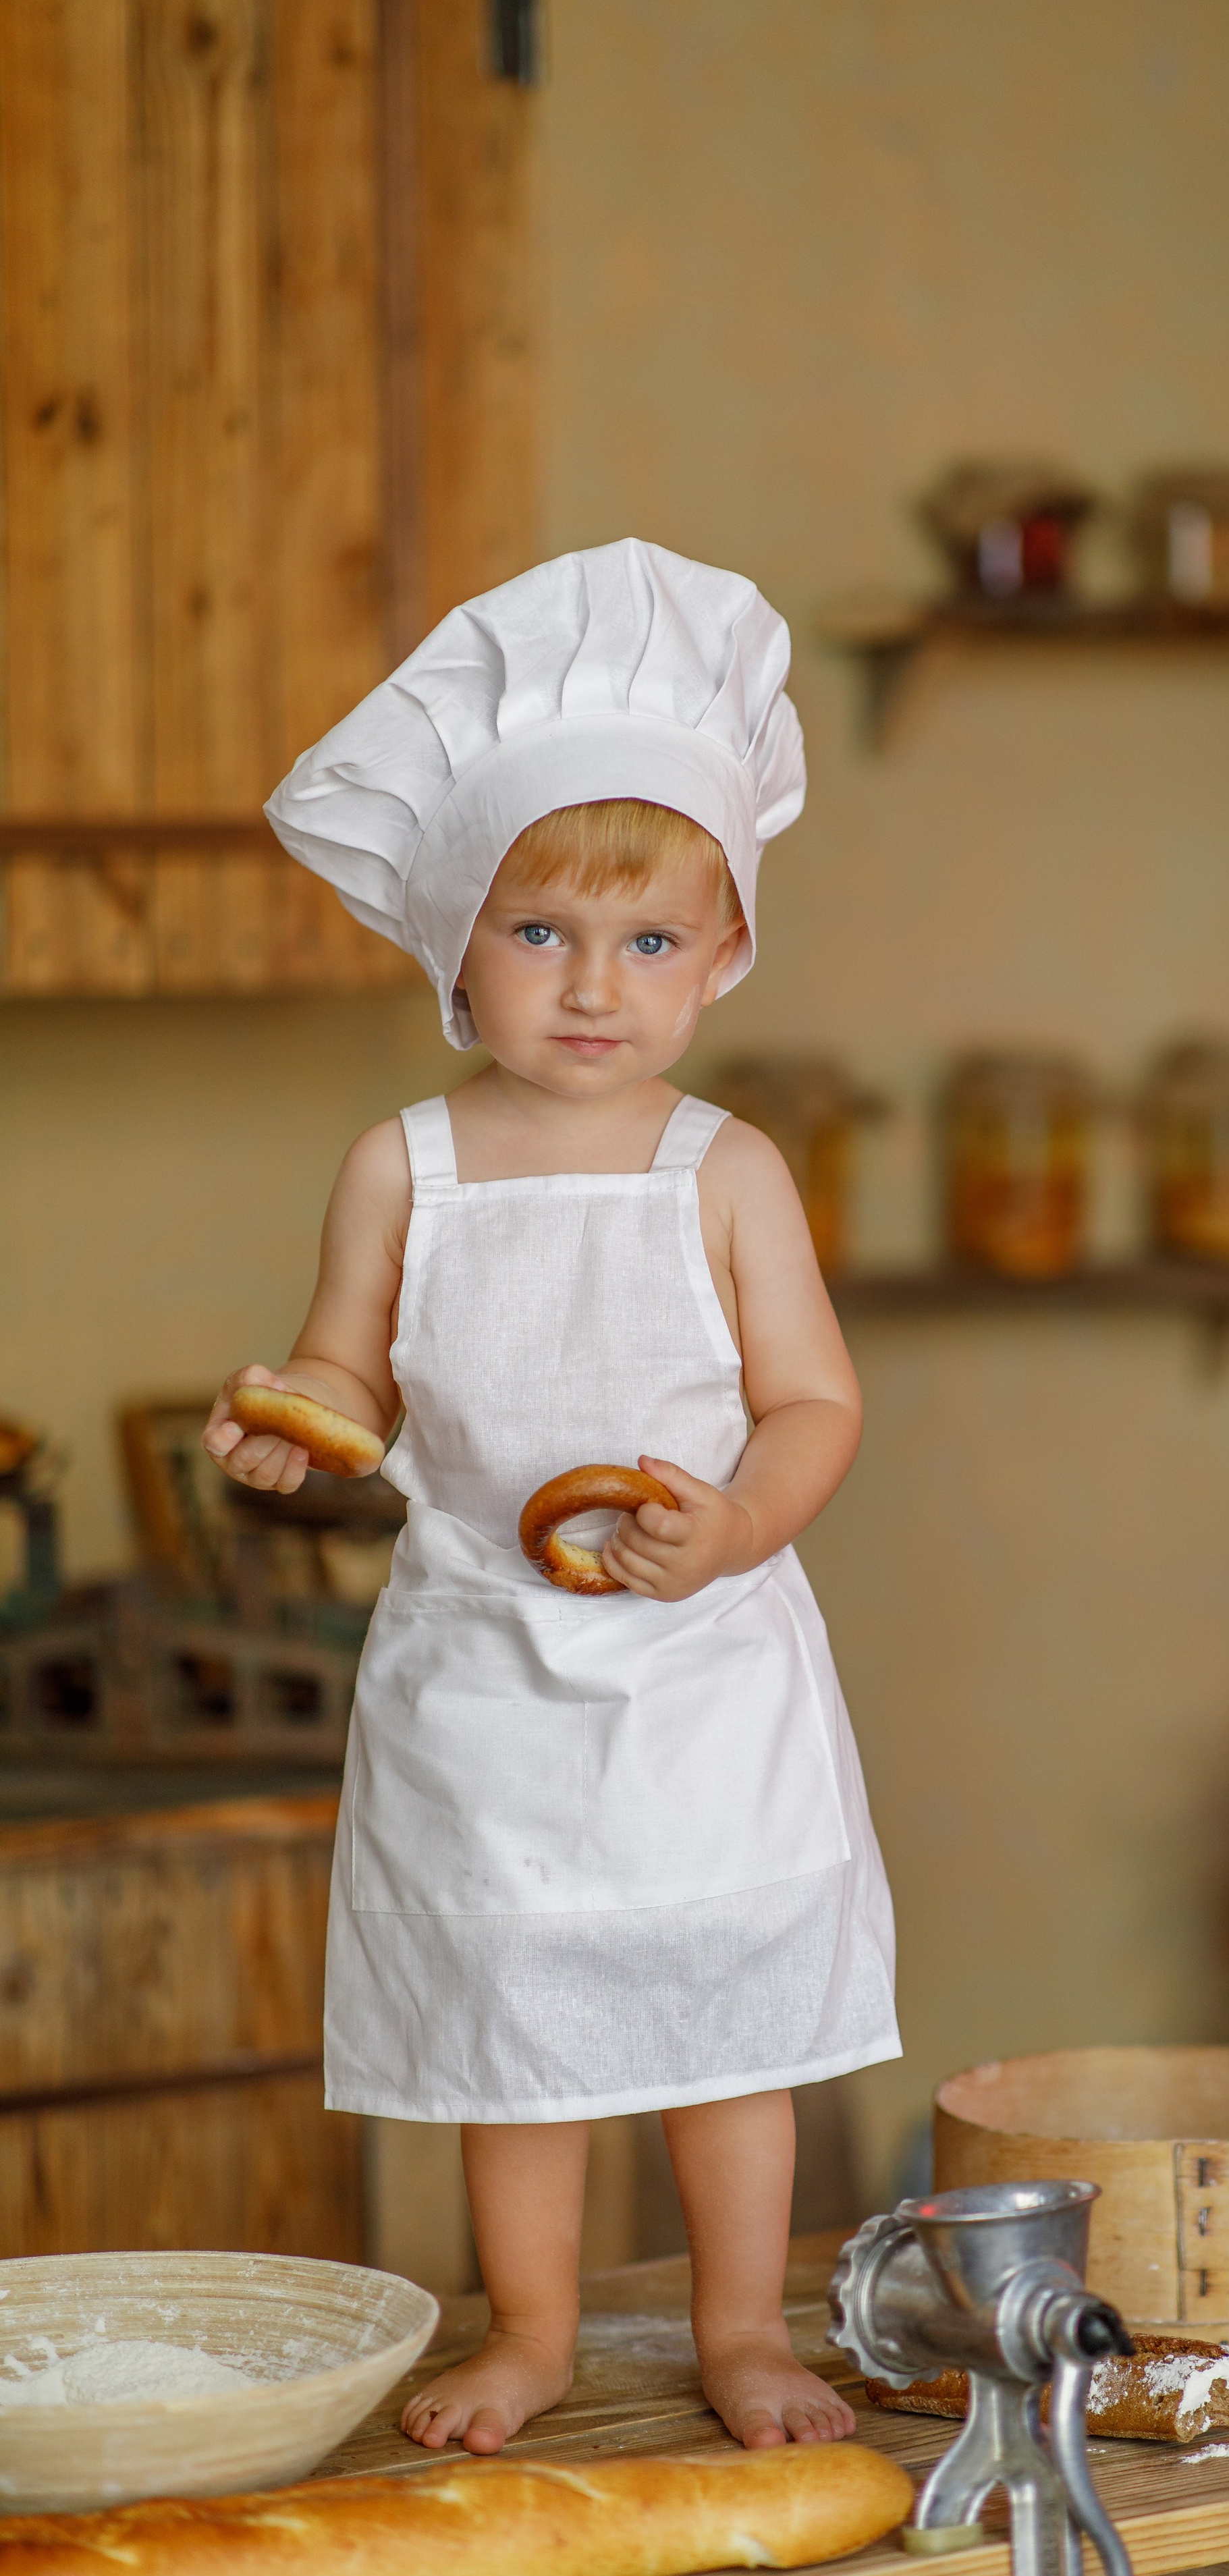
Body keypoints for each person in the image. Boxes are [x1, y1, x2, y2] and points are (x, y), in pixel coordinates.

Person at [203, 541, 899, 2458]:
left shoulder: (727, 1168)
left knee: (724, 2021)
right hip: (484, 1671)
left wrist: (742, 1526)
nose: (597, 987)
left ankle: (745, 2331)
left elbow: (814, 1402)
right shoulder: (402, 1166)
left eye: (652, 943)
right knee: (521, 2030)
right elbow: (349, 1362)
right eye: (540, 935)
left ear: (722, 955)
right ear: (454, 942)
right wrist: (294, 1417)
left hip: (699, 1669)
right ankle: (526, 2333)